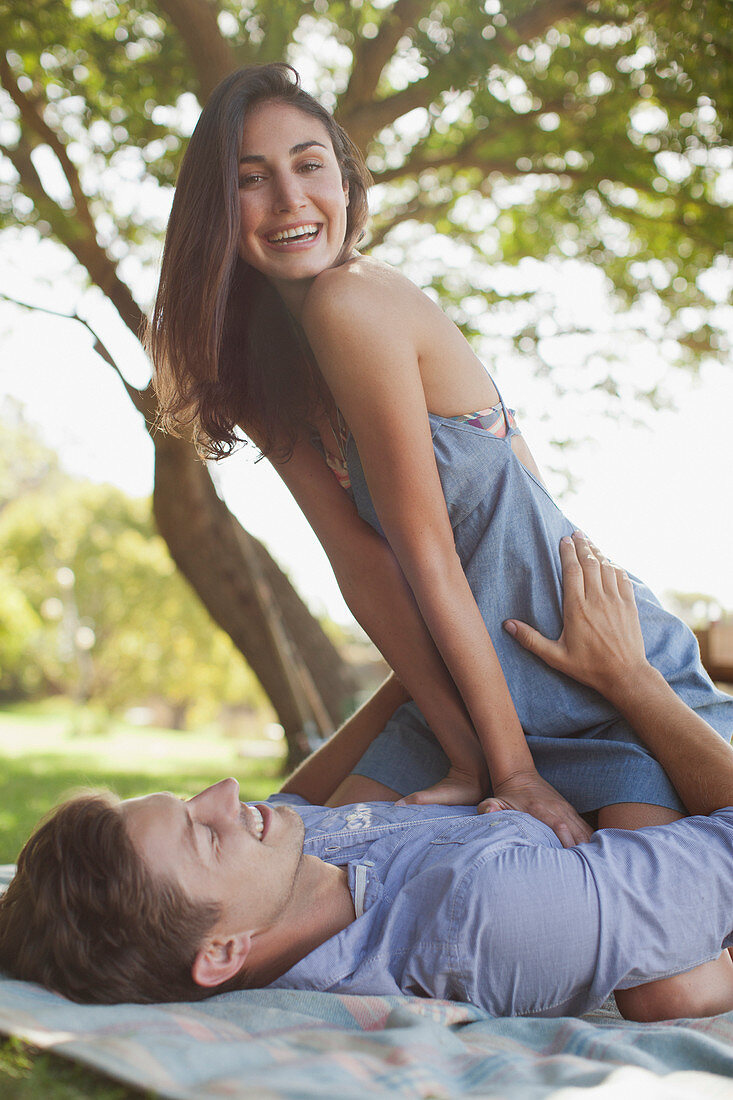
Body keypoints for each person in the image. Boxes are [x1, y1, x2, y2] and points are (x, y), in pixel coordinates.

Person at [147, 62, 732, 849]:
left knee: (653, 950)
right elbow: (363, 565)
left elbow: (435, 548)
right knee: (302, 855)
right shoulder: (253, 368)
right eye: (252, 178)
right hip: (469, 693)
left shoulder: (355, 300)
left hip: (592, 672)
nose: (289, 198)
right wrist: (472, 754)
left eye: (309, 164)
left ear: (347, 185)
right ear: (216, 209)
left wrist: (512, 771)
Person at [2, 535, 733, 1022]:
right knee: (667, 993)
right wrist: (631, 680)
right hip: (660, 726)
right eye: (203, 834)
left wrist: (425, 650)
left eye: (192, 803)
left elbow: (331, 762)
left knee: (469, 562)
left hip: (546, 735)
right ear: (222, 952)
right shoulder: (481, 914)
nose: (226, 795)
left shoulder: (288, 861)